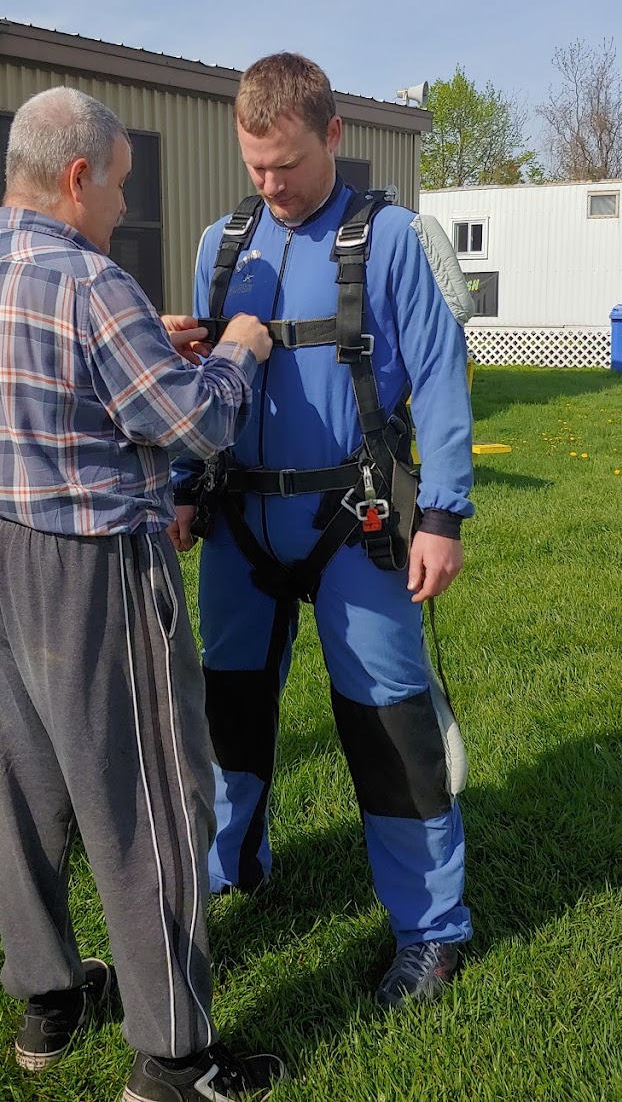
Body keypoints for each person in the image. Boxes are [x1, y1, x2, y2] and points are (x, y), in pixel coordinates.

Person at [0, 86, 285, 1102]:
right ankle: (176, 1057)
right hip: (91, 566)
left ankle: (48, 995)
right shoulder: (92, 285)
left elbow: (59, 394)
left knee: (30, 786)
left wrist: (147, 340)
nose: (123, 208)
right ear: (79, 175)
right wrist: (237, 349)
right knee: (152, 802)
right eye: (120, 185)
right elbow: (197, 426)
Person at [171, 53, 475, 1011]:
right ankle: (233, 870)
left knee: (390, 724)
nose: (270, 185)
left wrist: (443, 515)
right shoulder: (223, 247)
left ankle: (433, 932)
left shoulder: (389, 241)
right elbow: (199, 388)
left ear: (334, 136)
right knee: (228, 714)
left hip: (360, 524)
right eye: (255, 166)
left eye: (288, 164)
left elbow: (442, 379)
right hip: (239, 523)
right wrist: (184, 486)